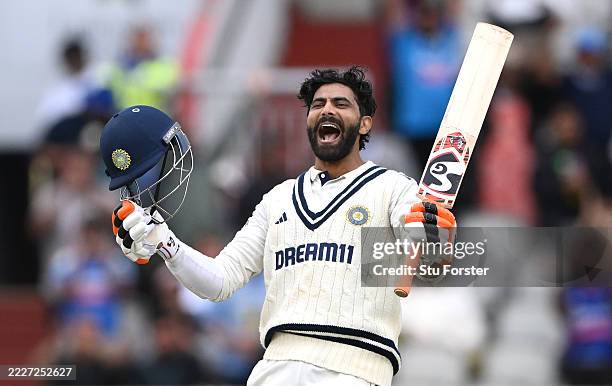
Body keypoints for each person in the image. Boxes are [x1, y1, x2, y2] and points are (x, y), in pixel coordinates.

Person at [99, 67, 456, 386]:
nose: (327, 110)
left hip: (355, 367)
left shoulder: (393, 188)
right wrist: (164, 241)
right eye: (318, 105)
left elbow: (430, 266)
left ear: (364, 123)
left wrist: (436, 240)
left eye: (341, 104)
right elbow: (219, 282)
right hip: (275, 366)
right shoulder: (278, 200)